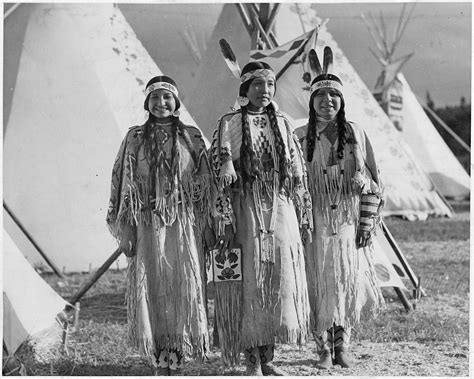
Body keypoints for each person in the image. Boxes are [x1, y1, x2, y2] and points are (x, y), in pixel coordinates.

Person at [209, 61, 312, 376]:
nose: (264, 91)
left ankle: (268, 356)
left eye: (269, 85)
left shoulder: (282, 121)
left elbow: (296, 168)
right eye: (257, 85)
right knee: (251, 280)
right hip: (245, 207)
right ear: (245, 89)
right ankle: (250, 357)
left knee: (279, 278)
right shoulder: (229, 122)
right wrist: (225, 164)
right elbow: (218, 157)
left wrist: (303, 211)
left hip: (280, 207)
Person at [106, 75, 210, 376]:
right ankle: (158, 356)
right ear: (147, 103)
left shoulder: (191, 136)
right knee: (151, 284)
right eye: (155, 98)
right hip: (147, 225)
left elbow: (206, 181)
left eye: (167, 97)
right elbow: (122, 184)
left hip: (182, 223)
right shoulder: (135, 137)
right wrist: (125, 230)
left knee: (181, 284)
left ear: (176, 103)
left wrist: (206, 223)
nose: (161, 103)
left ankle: (178, 352)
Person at [294, 47, 385, 369]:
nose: (327, 101)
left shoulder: (356, 133)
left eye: (334, 95)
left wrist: (366, 223)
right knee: (316, 280)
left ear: (342, 100)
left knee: (345, 278)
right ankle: (322, 349)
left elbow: (375, 181)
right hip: (314, 219)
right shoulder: (299, 135)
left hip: (347, 218)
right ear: (311, 100)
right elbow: (290, 185)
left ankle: (342, 345)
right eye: (321, 95)